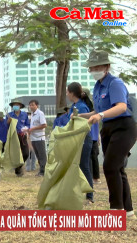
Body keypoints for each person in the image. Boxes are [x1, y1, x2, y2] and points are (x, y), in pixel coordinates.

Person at [80, 50, 136, 219]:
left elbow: (120, 106)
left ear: (106, 66)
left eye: (96, 66)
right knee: (118, 168)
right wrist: (84, 116)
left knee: (110, 166)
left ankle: (116, 209)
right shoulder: (97, 87)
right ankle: (128, 211)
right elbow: (99, 110)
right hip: (108, 128)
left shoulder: (115, 83)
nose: (93, 70)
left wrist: (100, 116)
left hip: (124, 127)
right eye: (91, 67)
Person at [66, 82, 94, 203]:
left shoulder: (81, 107)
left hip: (82, 139)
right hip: (76, 139)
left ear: (72, 93)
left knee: (84, 167)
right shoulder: (75, 105)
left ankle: (89, 196)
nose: (66, 94)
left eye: (67, 92)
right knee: (77, 167)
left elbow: (82, 125)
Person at [83, 88, 101, 185]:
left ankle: (96, 177)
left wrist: (97, 135)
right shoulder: (82, 105)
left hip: (93, 134)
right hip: (88, 134)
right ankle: (90, 177)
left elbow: (97, 119)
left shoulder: (92, 105)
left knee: (94, 156)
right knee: (88, 157)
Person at [7, 99, 30, 176]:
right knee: (15, 154)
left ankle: (18, 167)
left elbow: (28, 125)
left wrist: (25, 129)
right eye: (14, 105)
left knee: (26, 153)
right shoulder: (9, 115)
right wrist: (8, 122)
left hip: (22, 136)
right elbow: (5, 126)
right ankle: (18, 171)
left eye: (17, 105)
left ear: (20, 106)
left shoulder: (24, 114)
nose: (15, 106)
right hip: (13, 136)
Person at [27, 100, 47, 177]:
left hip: (39, 138)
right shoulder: (32, 115)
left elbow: (44, 125)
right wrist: (29, 130)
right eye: (30, 105)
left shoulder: (40, 113)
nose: (31, 106)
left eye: (32, 105)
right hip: (33, 138)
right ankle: (41, 171)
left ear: (37, 105)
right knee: (38, 155)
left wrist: (33, 128)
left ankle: (43, 171)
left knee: (42, 155)